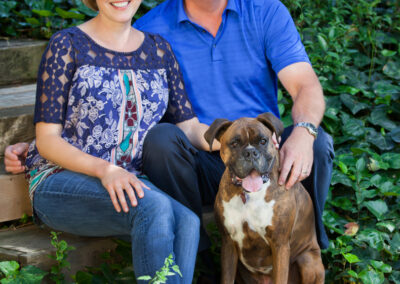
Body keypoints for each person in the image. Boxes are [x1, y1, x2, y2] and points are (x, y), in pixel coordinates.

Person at [3, 0, 223, 283]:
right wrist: (105, 170)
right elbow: (47, 140)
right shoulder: (67, 45)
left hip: (129, 180)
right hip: (61, 179)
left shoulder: (159, 50)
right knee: (154, 208)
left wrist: (242, 137)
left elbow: (190, 129)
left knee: (188, 222)